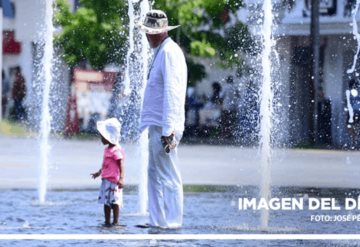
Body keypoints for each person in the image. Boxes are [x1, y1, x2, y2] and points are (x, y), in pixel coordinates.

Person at [138, 9, 187, 228]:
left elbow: (172, 92)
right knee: (154, 174)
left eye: (151, 32)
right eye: (147, 31)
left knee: (168, 175)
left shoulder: (169, 52)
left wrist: (169, 130)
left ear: (162, 31)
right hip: (158, 124)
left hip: (165, 126)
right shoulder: (163, 51)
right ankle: (157, 221)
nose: (147, 36)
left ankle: (173, 223)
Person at [91, 118, 125, 227]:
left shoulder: (116, 150)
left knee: (115, 202)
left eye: (102, 136)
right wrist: (99, 172)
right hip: (106, 180)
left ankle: (115, 221)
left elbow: (121, 165)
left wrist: (122, 178)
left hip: (114, 181)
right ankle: (106, 221)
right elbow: (106, 165)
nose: (101, 138)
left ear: (108, 137)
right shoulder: (107, 149)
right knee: (106, 202)